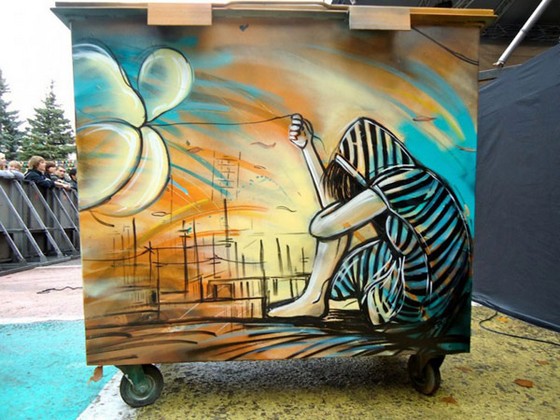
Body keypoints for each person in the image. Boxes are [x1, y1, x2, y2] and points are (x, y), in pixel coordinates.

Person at [268, 114, 472, 328]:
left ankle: (313, 300)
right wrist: (307, 148)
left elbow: (326, 226)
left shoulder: (399, 182)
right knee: (353, 236)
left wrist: (329, 216)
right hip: (441, 294)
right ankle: (316, 299)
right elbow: (337, 214)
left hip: (419, 308)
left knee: (338, 228)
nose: (352, 192)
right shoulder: (416, 180)